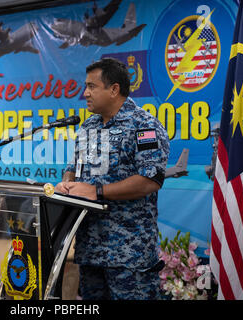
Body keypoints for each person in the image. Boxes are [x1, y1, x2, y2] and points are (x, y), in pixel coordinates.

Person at [55, 57, 170, 300]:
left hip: (129, 254)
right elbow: (72, 167)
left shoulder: (144, 125)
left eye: (92, 86)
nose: (85, 93)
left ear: (114, 89)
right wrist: (67, 182)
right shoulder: (88, 127)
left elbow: (150, 180)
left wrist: (96, 192)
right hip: (90, 250)